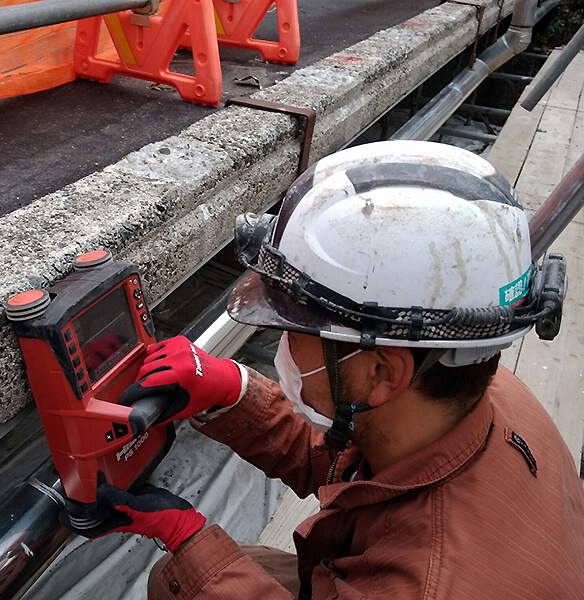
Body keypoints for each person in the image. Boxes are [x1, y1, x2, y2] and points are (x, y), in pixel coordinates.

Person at [60, 141, 584, 598]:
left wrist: (186, 539)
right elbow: (353, 462)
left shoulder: (425, 584)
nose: (283, 345)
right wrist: (231, 392)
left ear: (383, 373)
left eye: (298, 330)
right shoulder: (467, 388)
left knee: (183, 581)